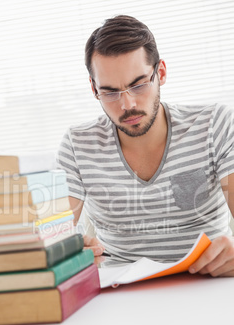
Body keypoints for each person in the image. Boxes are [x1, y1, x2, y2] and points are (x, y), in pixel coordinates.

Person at [56, 15, 234, 277]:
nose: (127, 105)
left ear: (160, 73)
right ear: (94, 89)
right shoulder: (77, 144)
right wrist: (70, 256)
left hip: (208, 283)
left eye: (138, 85)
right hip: (122, 291)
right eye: (110, 92)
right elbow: (52, 241)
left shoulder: (214, 124)